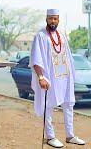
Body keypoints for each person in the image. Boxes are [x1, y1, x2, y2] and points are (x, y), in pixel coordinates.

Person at [31, 9, 86, 148]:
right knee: (48, 106)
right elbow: (36, 59)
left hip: (64, 78)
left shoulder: (61, 36)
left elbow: (68, 56)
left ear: (58, 19)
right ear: (46, 19)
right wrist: (41, 77)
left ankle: (70, 135)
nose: (53, 21)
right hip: (50, 78)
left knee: (69, 104)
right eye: (50, 18)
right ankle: (50, 137)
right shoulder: (41, 36)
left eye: (55, 18)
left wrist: (72, 75)